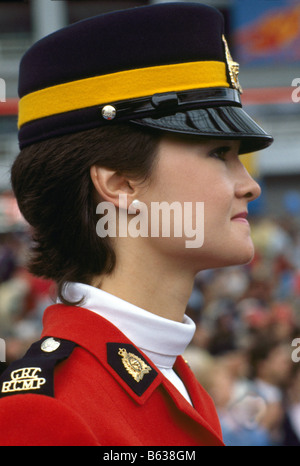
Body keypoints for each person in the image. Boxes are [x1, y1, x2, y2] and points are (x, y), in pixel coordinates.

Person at [0, 3, 273, 446]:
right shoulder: (45, 411)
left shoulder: (174, 377)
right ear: (120, 183)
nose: (249, 185)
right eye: (219, 153)